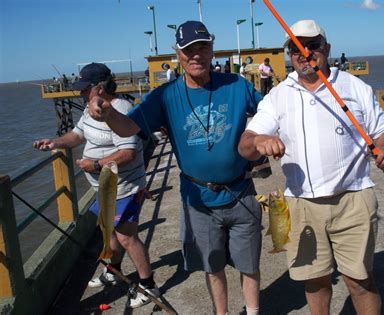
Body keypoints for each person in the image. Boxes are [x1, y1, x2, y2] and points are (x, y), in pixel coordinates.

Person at [87, 21, 263, 315]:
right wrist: (105, 114)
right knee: (212, 266)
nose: (196, 55)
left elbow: (271, 112)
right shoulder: (165, 95)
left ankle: (254, 311)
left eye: (202, 47)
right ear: (177, 54)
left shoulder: (237, 85)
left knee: (250, 264)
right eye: (188, 49)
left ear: (212, 49)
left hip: (241, 191)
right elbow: (128, 126)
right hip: (198, 199)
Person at [238, 19, 384, 315]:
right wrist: (259, 139)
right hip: (301, 204)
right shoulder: (278, 95)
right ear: (289, 54)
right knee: (314, 282)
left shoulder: (355, 87)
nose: (304, 53)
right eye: (295, 48)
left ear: (326, 48)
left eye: (311, 45)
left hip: (353, 199)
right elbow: (245, 145)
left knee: (360, 281)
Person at [33, 63, 160, 309]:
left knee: (127, 238)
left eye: (84, 89)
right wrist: (55, 142)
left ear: (99, 88)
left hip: (124, 188)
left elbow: (128, 153)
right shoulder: (89, 109)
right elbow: (77, 135)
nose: (80, 93)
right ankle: (113, 270)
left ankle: (148, 285)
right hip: (104, 189)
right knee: (110, 232)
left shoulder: (121, 110)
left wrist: (97, 165)